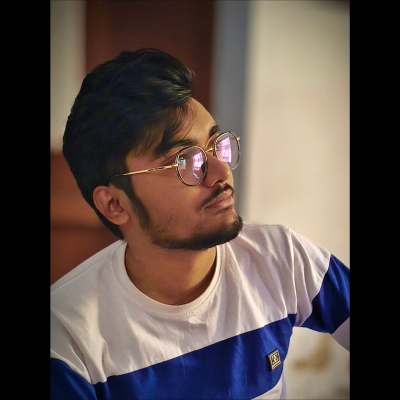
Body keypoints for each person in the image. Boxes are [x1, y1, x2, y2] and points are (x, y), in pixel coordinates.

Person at [51, 48, 349, 400]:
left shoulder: (278, 258)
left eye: (216, 146)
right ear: (115, 204)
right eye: (185, 160)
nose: (222, 172)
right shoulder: (68, 337)